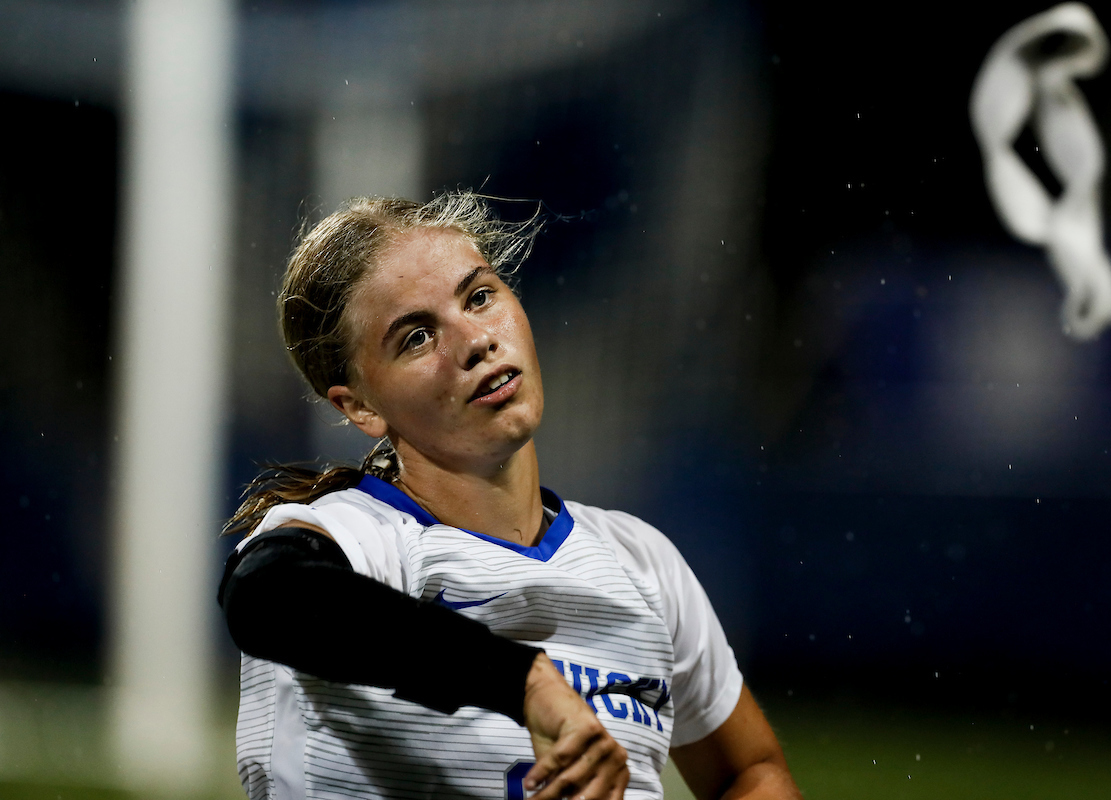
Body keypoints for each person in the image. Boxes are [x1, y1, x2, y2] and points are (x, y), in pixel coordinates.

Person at [218, 192, 802, 800]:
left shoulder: (640, 561)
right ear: (359, 406)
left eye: (479, 297)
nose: (473, 340)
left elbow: (751, 771)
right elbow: (267, 595)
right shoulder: (365, 540)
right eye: (416, 337)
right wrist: (528, 684)